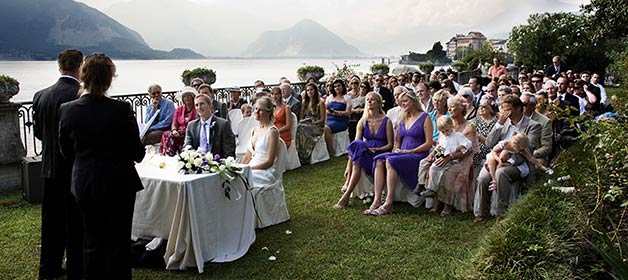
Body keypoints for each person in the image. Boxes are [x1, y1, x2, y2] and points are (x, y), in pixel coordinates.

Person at [58, 53, 145, 279]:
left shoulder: (67, 109)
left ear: (83, 76)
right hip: (119, 183)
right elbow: (137, 153)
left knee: (91, 241)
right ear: (109, 79)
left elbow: (66, 151)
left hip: (85, 182)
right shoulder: (121, 109)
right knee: (119, 241)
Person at [32, 49, 84, 280]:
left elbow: (39, 133)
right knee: (75, 222)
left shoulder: (40, 95)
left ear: (59, 66)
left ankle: (48, 268)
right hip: (73, 169)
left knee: (50, 222)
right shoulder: (79, 96)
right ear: (80, 67)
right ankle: (76, 267)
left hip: (49, 167)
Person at [474, 95, 541, 222]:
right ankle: (482, 212)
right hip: (497, 158)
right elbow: (489, 143)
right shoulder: (503, 124)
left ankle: (501, 213)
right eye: (503, 109)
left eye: (508, 109)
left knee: (501, 173)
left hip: (519, 163)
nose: (505, 113)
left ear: (518, 108)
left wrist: (509, 161)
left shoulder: (533, 125)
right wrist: (499, 125)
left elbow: (529, 149)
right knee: (483, 178)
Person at [365, 92, 434, 216]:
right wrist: (396, 149)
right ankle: (377, 199)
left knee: (391, 161)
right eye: (401, 102)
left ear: (413, 101)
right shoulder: (403, 118)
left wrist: (411, 151)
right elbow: (397, 141)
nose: (402, 104)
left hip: (417, 154)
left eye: (405, 101)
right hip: (402, 152)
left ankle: (389, 202)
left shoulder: (425, 117)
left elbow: (429, 143)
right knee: (379, 159)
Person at [334, 92, 394, 208]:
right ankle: (346, 196)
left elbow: (390, 145)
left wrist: (378, 149)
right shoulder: (362, 121)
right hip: (366, 151)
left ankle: (347, 193)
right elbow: (357, 143)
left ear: (379, 103)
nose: (369, 102)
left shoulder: (387, 121)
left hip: (381, 151)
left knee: (361, 153)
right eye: (367, 100)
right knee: (358, 147)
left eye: (372, 100)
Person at [419, 116, 472, 214]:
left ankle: (433, 191)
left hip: (452, 160)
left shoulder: (458, 136)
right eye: (443, 132)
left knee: (437, 170)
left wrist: (461, 146)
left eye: (447, 130)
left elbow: (469, 144)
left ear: (451, 126)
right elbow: (440, 146)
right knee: (428, 165)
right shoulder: (443, 136)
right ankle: (424, 186)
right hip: (442, 156)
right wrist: (434, 153)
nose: (445, 133)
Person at [484, 132, 550, 192]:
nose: (518, 151)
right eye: (517, 149)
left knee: (502, 161)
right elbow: (494, 151)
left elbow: (531, 158)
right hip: (497, 156)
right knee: (492, 160)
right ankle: (494, 179)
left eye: (520, 150)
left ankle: (496, 179)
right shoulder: (505, 143)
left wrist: (541, 166)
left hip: (508, 160)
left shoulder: (521, 150)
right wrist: (498, 159)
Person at [183, 94, 236, 158]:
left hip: (217, 164)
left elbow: (229, 151)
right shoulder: (191, 126)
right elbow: (187, 146)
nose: (199, 107)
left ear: (210, 105)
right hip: (196, 163)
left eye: (202, 104)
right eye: (196, 105)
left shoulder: (223, 124)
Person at [242, 96, 281, 179]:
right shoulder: (254, 130)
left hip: (264, 171)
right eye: (256, 109)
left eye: (260, 110)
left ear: (268, 112)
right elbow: (247, 157)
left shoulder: (272, 131)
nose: (256, 112)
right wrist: (240, 169)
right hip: (251, 168)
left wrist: (249, 169)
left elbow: (269, 162)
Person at [159, 87, 197, 156]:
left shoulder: (196, 109)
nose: (187, 98)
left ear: (193, 97)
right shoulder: (180, 109)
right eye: (184, 96)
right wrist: (174, 130)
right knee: (167, 134)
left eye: (188, 96)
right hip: (179, 132)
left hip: (190, 133)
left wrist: (186, 131)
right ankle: (169, 155)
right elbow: (174, 122)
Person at [296, 83, 326, 164]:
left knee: (301, 128)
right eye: (307, 90)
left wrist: (312, 123)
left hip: (318, 125)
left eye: (311, 90)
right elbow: (301, 117)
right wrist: (304, 122)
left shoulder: (321, 103)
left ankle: (305, 156)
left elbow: (322, 119)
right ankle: (300, 155)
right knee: (298, 127)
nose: (309, 92)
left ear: (315, 90)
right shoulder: (304, 102)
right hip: (306, 124)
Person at [324, 79, 352, 156]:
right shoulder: (330, 97)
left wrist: (338, 113)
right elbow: (324, 109)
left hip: (341, 120)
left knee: (326, 128)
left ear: (342, 87)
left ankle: (330, 152)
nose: (337, 88)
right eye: (335, 86)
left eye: (339, 86)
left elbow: (348, 112)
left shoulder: (347, 98)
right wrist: (329, 112)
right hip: (329, 118)